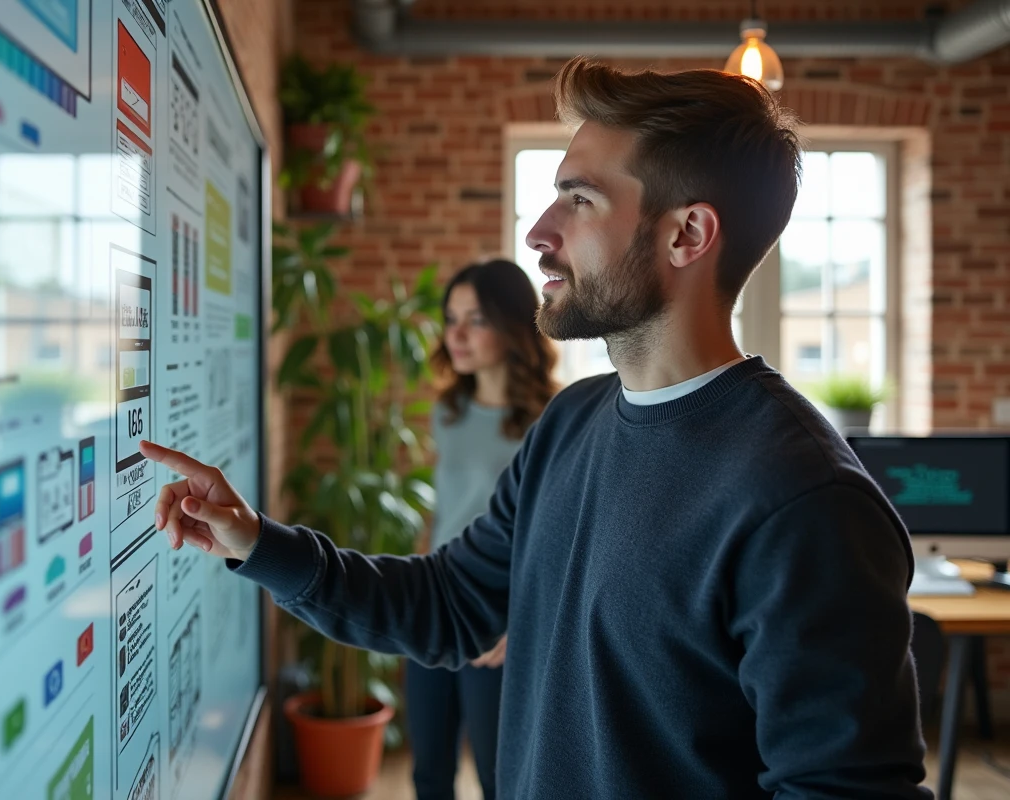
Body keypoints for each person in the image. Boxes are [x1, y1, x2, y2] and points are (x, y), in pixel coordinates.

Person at [141, 58, 931, 799]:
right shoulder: (569, 425)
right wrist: (254, 541)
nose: (539, 232)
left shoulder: (805, 499)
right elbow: (451, 604)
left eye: (580, 200)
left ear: (687, 235)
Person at [408, 259, 558, 800]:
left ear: (513, 324)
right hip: (436, 604)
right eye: (451, 319)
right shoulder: (446, 413)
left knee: (500, 779)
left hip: (499, 623)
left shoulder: (551, 419)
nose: (458, 335)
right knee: (429, 773)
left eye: (476, 320)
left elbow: (553, 539)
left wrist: (519, 623)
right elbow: (445, 510)